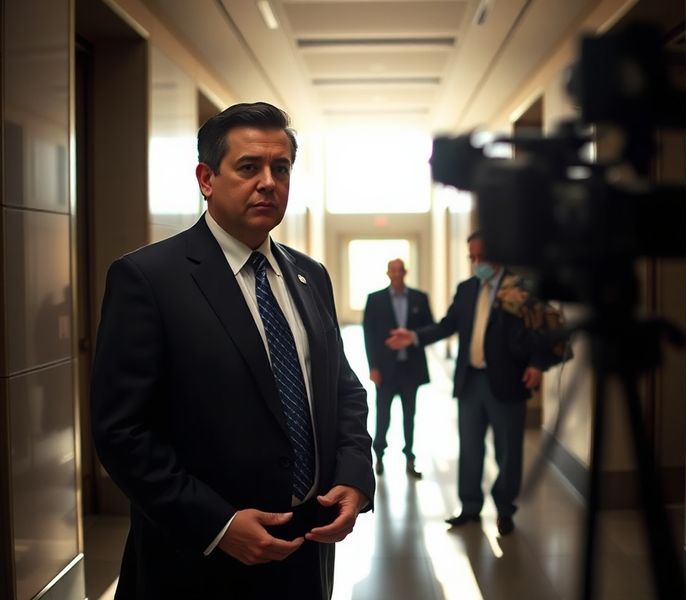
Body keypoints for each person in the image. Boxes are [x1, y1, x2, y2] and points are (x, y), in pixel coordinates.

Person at [91, 102, 375, 599]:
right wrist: (218, 524)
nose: (268, 181)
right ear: (206, 178)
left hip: (306, 548)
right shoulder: (149, 279)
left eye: (280, 168)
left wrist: (354, 475)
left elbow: (342, 388)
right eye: (249, 167)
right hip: (196, 561)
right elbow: (121, 431)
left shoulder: (311, 276)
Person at [386, 231, 541, 536]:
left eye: (480, 255)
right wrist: (415, 337)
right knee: (470, 448)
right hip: (471, 381)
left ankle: (505, 509)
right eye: (472, 257)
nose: (476, 262)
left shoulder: (519, 289)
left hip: (508, 382)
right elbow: (447, 325)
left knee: (507, 451)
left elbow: (538, 329)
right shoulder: (467, 289)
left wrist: (537, 363)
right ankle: (470, 507)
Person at [363, 258, 434, 478]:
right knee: (382, 415)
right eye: (392, 270)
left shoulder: (419, 299)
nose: (396, 274)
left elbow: (430, 329)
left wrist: (413, 338)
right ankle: (380, 456)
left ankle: (410, 458)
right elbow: (369, 336)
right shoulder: (375, 300)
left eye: (399, 270)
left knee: (409, 415)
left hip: (410, 369)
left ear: (405, 272)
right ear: (388, 273)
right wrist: (373, 367)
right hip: (385, 370)